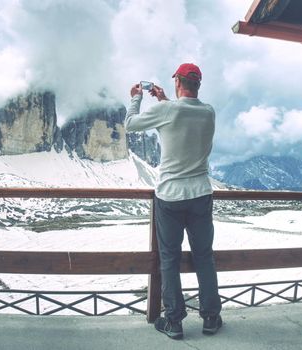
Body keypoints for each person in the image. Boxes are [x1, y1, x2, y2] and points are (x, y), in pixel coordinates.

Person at [125, 63, 222, 340]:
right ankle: (211, 317)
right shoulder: (208, 112)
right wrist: (165, 99)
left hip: (170, 196)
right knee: (204, 256)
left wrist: (136, 97)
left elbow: (131, 124)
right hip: (201, 194)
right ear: (197, 85)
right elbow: (182, 116)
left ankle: (174, 322)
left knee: (169, 258)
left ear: (178, 82)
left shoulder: (167, 111)